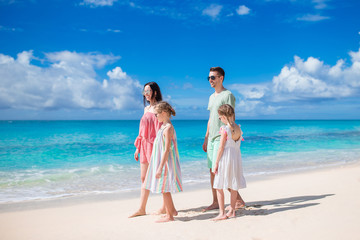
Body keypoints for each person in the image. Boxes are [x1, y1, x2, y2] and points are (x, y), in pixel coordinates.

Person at [202, 66, 245, 211]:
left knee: (220, 169)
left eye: (213, 77)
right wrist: (206, 137)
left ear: (221, 78)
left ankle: (238, 200)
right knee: (212, 170)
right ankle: (215, 201)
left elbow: (231, 116)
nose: (210, 80)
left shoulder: (228, 95)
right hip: (212, 137)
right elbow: (210, 118)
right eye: (209, 78)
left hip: (223, 136)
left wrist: (231, 135)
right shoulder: (211, 97)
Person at [129, 82, 165, 218]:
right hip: (144, 146)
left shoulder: (159, 108)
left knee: (158, 176)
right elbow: (141, 130)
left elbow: (163, 128)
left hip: (155, 146)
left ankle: (164, 206)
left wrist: (161, 147)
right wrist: (138, 148)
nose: (146, 94)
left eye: (148, 91)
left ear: (155, 92)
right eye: (144, 91)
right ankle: (142, 208)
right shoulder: (146, 109)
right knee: (143, 177)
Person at [144, 101, 183, 223]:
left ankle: (169, 216)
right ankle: (172, 210)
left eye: (156, 114)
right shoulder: (163, 126)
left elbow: (166, 150)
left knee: (164, 188)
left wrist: (160, 167)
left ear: (164, 113)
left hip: (166, 162)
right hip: (162, 160)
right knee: (163, 188)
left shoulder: (168, 128)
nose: (155, 117)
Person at [212, 104, 246, 220]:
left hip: (226, 158)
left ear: (225, 116)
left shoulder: (225, 129)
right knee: (233, 184)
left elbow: (221, 148)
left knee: (218, 185)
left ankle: (222, 213)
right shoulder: (238, 128)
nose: (219, 119)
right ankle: (232, 210)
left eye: (220, 117)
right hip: (236, 158)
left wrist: (216, 163)